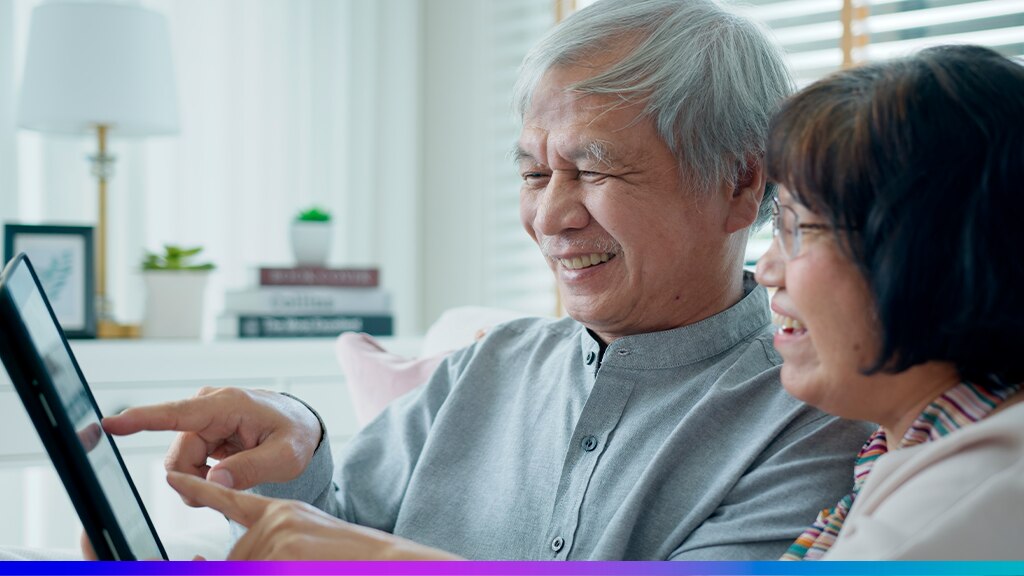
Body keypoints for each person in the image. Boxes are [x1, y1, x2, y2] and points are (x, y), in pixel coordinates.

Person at [101, 0, 873, 561]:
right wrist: (293, 444)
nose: (551, 216)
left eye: (593, 169)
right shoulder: (489, 365)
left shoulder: (813, 414)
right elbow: (331, 528)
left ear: (741, 184)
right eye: (535, 172)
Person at [755, 44, 1024, 560]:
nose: (766, 268)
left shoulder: (961, 506)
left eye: (799, 227)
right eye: (776, 225)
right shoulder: (904, 452)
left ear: (927, 252)